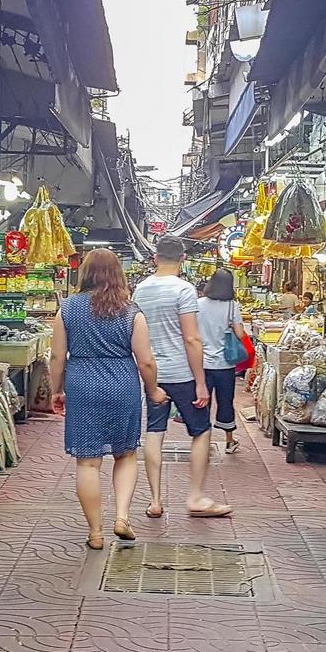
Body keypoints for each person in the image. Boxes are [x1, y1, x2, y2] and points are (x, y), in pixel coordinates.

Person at [49, 248, 166, 550]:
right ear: (118, 275)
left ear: (84, 273)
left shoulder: (68, 309)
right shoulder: (131, 312)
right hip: (121, 385)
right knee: (125, 454)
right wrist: (153, 389)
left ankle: (95, 532)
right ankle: (122, 517)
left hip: (82, 385)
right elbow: (146, 361)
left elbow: (57, 356)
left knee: (87, 464)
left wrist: (56, 389)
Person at [133, 236, 232, 518]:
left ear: (155, 259)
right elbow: (191, 338)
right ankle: (195, 497)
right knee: (201, 431)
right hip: (182, 374)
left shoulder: (140, 290)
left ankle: (154, 500)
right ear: (183, 259)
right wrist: (201, 382)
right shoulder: (184, 290)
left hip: (152, 372)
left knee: (154, 431)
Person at [197, 268, 249, 455]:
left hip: (201, 363)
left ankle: (203, 441)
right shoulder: (231, 306)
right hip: (225, 364)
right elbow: (240, 333)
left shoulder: (198, 304)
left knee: (203, 402)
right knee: (225, 401)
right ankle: (229, 440)